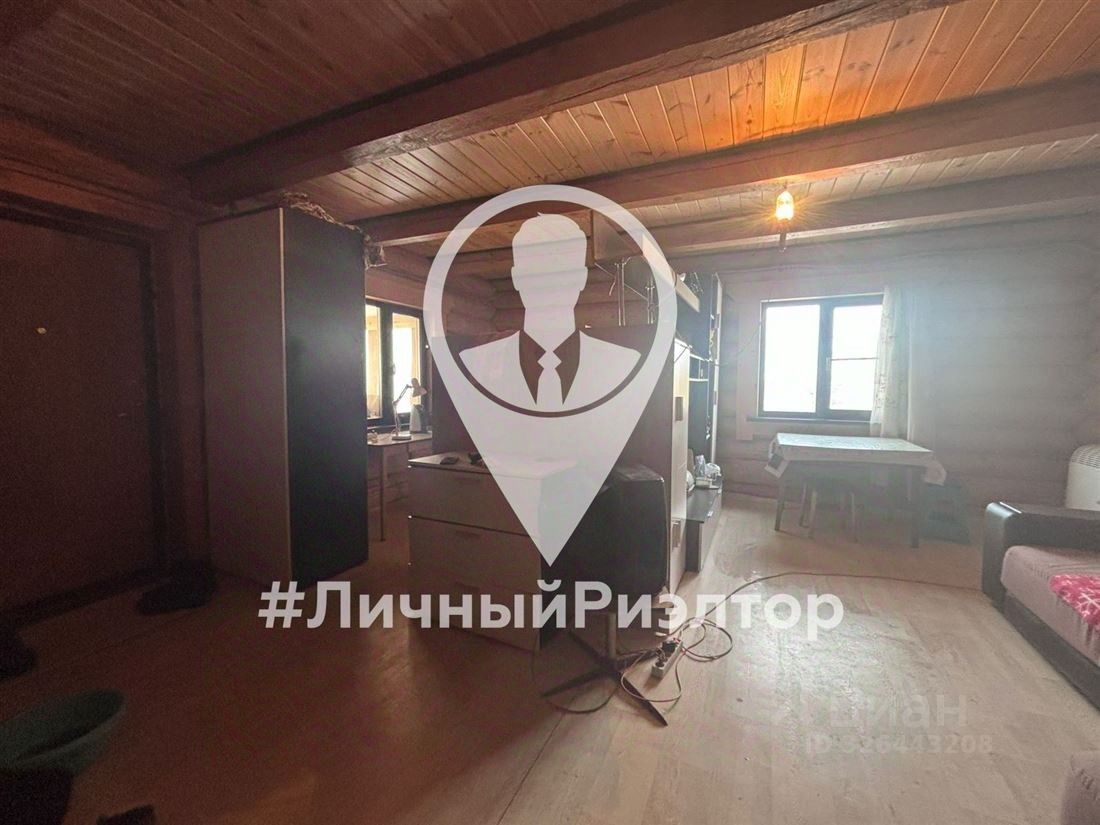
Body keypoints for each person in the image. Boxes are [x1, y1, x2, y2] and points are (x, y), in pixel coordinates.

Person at [460, 214, 639, 413]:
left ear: (581, 277)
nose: (550, 287)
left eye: (563, 273)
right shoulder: (479, 363)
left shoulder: (622, 364)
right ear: (517, 277)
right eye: (536, 273)